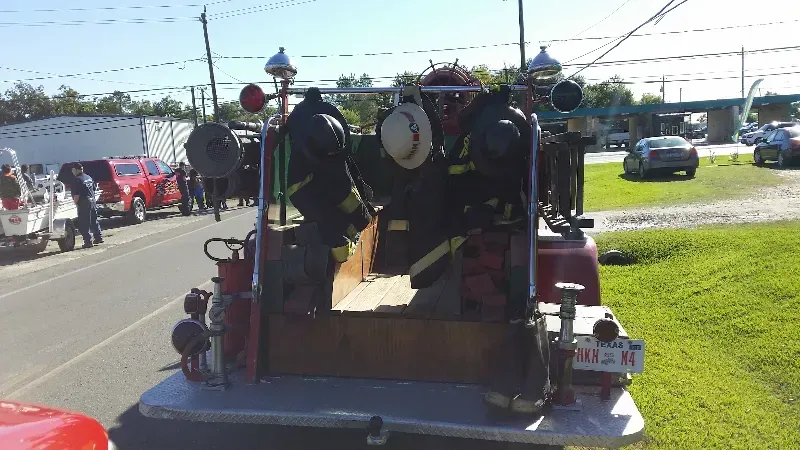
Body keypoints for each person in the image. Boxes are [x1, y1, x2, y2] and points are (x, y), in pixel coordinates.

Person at [70, 163, 103, 248]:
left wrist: (75, 203)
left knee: (84, 222)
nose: (72, 172)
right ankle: (98, 237)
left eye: (73, 170)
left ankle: (88, 241)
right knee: (94, 220)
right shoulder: (88, 177)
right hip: (92, 200)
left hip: (84, 202)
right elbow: (94, 189)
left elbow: (76, 195)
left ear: (77, 170)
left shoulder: (77, 179)